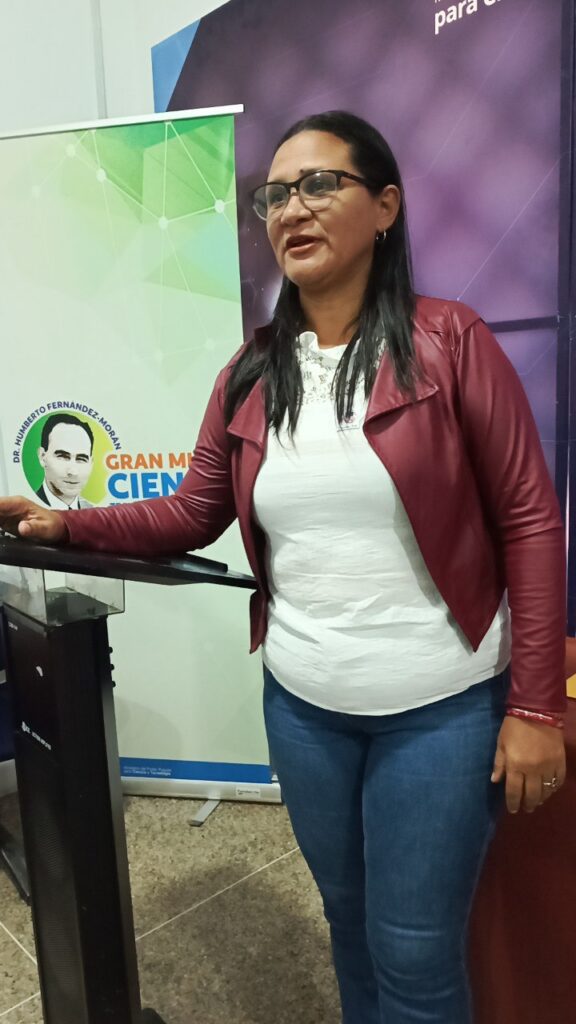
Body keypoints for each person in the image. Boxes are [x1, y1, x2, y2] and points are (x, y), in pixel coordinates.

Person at [0, 111, 566, 1024]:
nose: (290, 209)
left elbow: (532, 523)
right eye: (274, 195)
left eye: (319, 185)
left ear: (385, 207)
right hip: (304, 709)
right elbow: (191, 511)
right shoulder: (253, 369)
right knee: (348, 921)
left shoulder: (452, 342)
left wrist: (536, 707)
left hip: (442, 711)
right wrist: (67, 525)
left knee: (416, 953)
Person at [35, 413, 94, 510]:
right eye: (62, 456)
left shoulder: (95, 512)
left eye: (81, 459)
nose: (73, 472)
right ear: (42, 457)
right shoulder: (24, 511)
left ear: (91, 464)